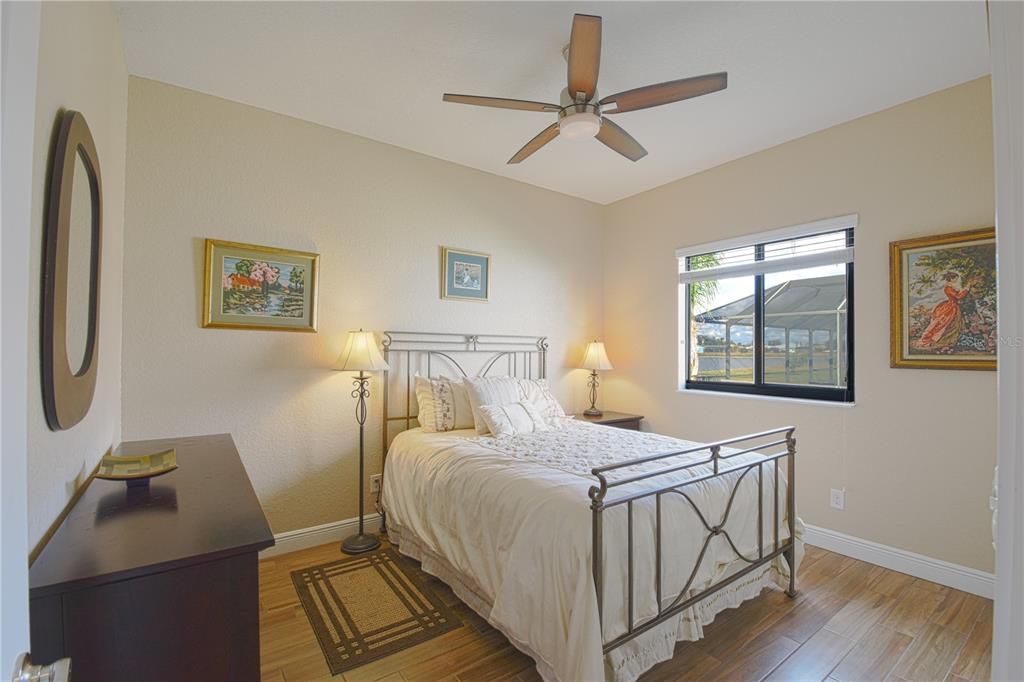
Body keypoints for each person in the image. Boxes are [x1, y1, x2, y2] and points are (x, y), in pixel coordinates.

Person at [913, 271, 975, 351]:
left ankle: (949, 341)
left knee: (953, 324)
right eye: (955, 278)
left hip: (954, 306)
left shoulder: (952, 286)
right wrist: (967, 288)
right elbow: (958, 296)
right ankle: (938, 340)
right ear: (951, 279)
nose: (957, 280)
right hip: (950, 308)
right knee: (944, 324)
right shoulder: (948, 288)